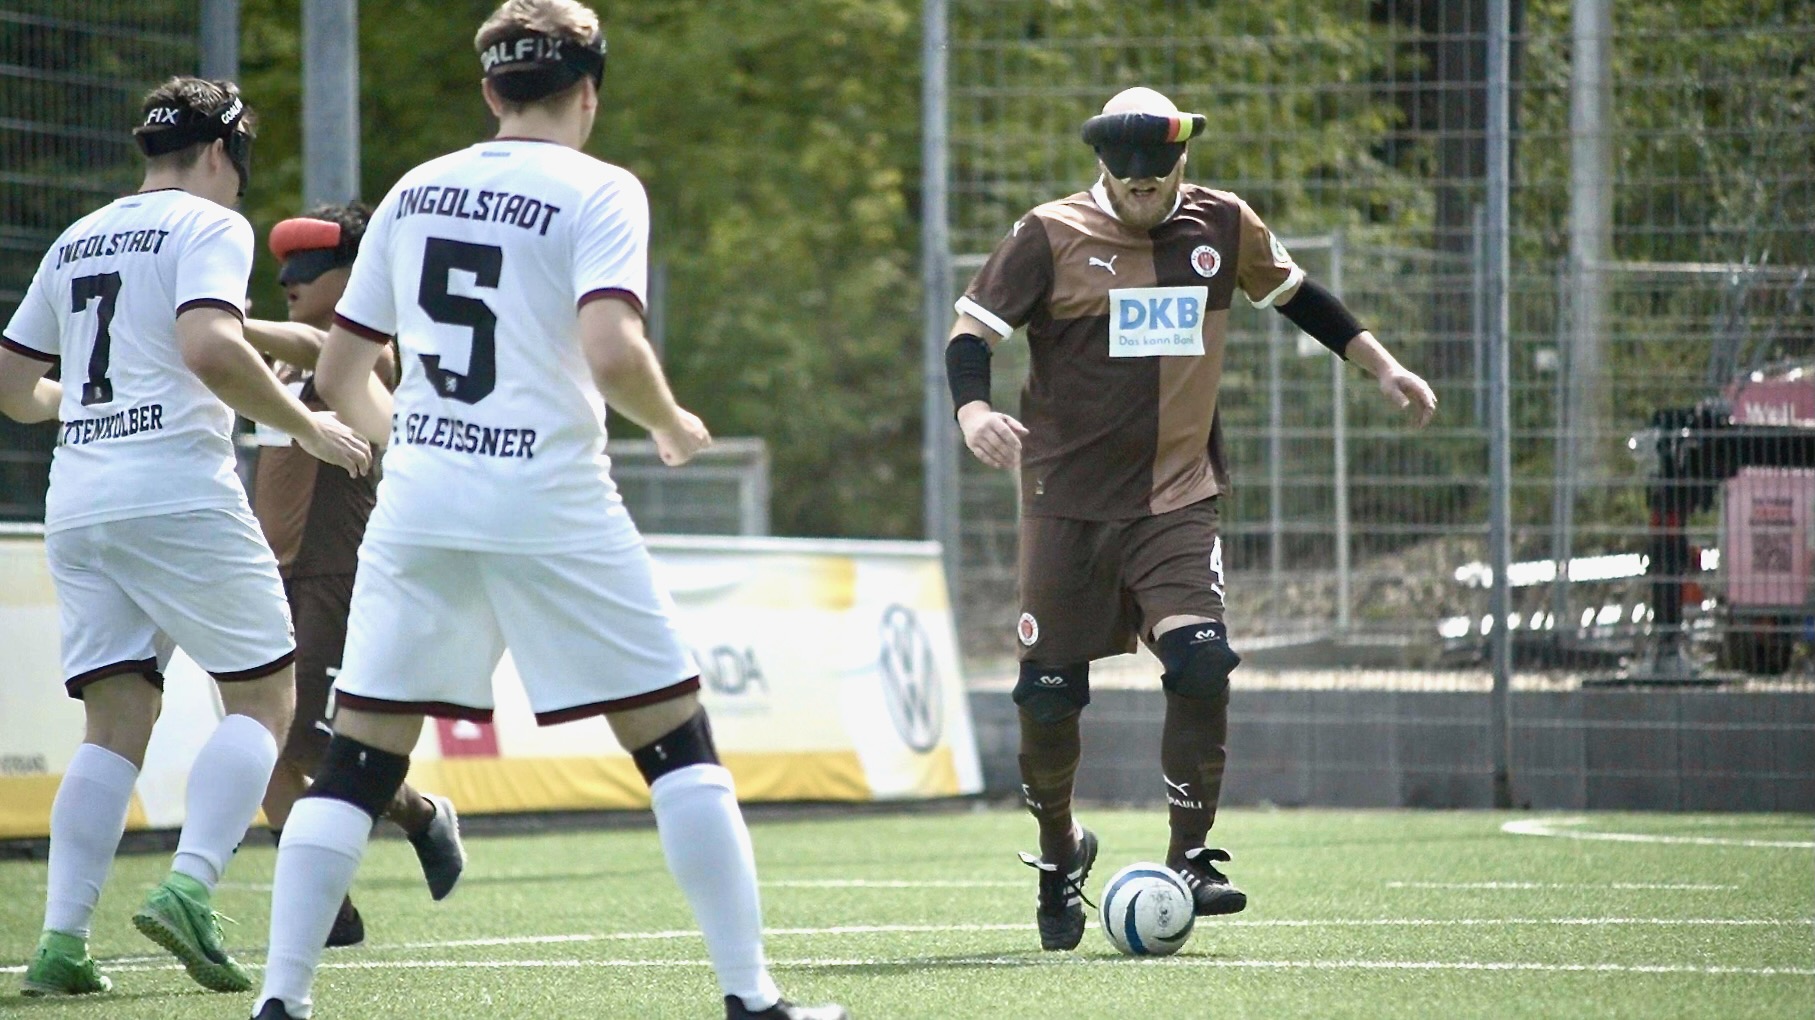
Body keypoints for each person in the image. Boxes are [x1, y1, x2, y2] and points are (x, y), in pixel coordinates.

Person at [249, 3, 847, 1018]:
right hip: (552, 501)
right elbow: (611, 348)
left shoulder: (414, 190)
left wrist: (424, 448)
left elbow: (344, 375)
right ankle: (751, 999)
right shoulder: (600, 188)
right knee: (675, 744)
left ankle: (282, 1002)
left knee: (355, 763)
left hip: (422, 509)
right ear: (589, 91)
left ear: (490, 89)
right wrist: (670, 422)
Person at [945, 86, 1437, 951]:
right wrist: (973, 412)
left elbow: (1298, 295)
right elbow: (969, 333)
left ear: (1182, 162)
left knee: (1202, 660)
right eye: (1126, 181)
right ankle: (1060, 849)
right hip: (1065, 503)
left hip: (1176, 495)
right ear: (1102, 166)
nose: (1142, 193)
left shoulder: (1223, 222)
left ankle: (1190, 857)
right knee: (1048, 699)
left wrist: (1383, 366)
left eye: (1156, 179)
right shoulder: (1048, 233)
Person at [0, 77, 372, 997]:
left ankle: (61, 943)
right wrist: (309, 425)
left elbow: (11, 386)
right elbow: (210, 346)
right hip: (176, 491)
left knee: (113, 724)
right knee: (264, 699)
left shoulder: (78, 235)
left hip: (79, 500)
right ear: (220, 151)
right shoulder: (210, 224)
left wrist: (86, 408)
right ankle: (191, 887)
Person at [245, 204, 467, 949]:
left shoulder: (370, 353)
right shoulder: (276, 358)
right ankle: (329, 913)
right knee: (256, 741)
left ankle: (421, 814)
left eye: (309, 267)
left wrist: (221, 326)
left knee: (309, 743)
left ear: (356, 275)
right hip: (264, 565)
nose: (289, 279)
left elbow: (319, 349)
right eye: (285, 266)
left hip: (334, 568)